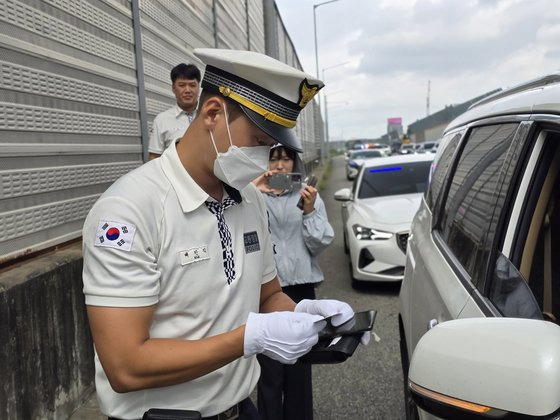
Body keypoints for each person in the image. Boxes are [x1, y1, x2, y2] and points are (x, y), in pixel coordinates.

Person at [82, 48, 365, 420]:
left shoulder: (250, 199)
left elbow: (268, 296)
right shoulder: (129, 210)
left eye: (272, 149)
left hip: (241, 410)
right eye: (259, 143)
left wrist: (305, 313)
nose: (265, 161)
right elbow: (125, 366)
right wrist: (250, 338)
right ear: (213, 113)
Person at [252, 146, 334, 420]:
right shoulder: (252, 196)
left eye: (285, 159)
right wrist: (255, 188)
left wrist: (310, 211)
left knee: (299, 366)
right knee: (269, 370)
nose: (279, 166)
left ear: (294, 163)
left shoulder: (307, 195)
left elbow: (320, 242)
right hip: (264, 290)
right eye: (273, 159)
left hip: (301, 289)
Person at [148, 63, 201, 160]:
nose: (187, 90)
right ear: (173, 88)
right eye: (182, 85)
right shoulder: (161, 120)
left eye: (192, 85)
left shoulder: (211, 116)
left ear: (199, 87)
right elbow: (154, 157)